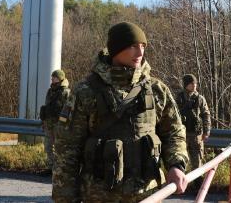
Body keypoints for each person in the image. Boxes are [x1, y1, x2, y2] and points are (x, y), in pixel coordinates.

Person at [53, 21, 189, 203]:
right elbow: (67, 150)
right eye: (133, 46)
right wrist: (66, 199)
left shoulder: (157, 90)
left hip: (149, 195)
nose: (140, 53)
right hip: (100, 198)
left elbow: (174, 132)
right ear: (116, 49)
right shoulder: (86, 92)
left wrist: (176, 164)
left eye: (143, 46)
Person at [175, 74, 211, 172]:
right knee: (181, 162)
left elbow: (206, 115)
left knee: (197, 162)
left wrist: (206, 132)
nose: (194, 85)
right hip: (182, 134)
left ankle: (198, 185)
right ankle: (182, 184)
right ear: (186, 84)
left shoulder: (200, 98)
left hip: (196, 135)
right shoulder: (179, 98)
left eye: (195, 83)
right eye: (192, 83)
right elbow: (173, 116)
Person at [40, 69, 71, 169]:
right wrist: (44, 121)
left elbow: (68, 110)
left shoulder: (66, 92)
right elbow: (46, 106)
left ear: (60, 78)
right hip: (49, 123)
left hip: (59, 124)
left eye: (54, 77)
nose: (52, 79)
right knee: (48, 147)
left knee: (59, 148)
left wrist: (64, 125)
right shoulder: (50, 91)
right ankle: (50, 167)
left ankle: (59, 169)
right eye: (52, 77)